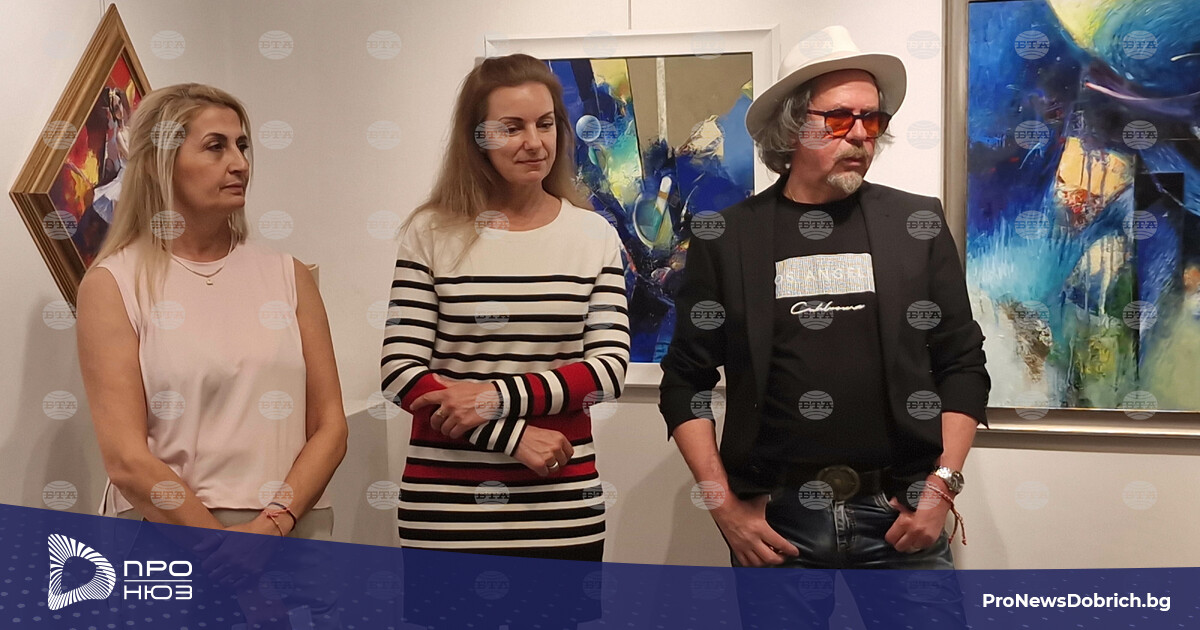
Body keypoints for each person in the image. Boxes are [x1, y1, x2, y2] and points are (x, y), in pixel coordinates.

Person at [658, 25, 989, 627]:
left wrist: (941, 488)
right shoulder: (728, 238)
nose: (860, 134)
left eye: (871, 119)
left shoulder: (915, 223)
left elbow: (962, 364)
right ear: (792, 127)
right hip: (777, 519)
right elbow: (685, 382)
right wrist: (724, 508)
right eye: (838, 119)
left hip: (899, 511)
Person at [381, 53, 629, 562]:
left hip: (561, 505)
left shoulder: (593, 235)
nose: (534, 142)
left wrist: (494, 397)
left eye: (545, 124)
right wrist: (509, 435)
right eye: (511, 128)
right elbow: (400, 372)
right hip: (445, 508)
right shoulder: (430, 232)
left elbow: (608, 370)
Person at [77, 83, 348, 539]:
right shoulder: (114, 284)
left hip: (292, 525)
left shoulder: (289, 275)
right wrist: (222, 546)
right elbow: (125, 458)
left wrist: (273, 525)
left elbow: (330, 426)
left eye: (242, 146)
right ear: (161, 163)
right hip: (170, 530)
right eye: (215, 147)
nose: (239, 163)